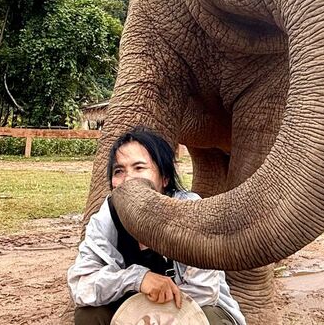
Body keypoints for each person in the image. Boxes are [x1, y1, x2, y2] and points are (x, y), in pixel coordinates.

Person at [68, 127, 246, 325]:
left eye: (139, 168)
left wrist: (154, 308)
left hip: (189, 308)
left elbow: (204, 291)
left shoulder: (190, 210)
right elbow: (81, 285)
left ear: (164, 178)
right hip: (135, 313)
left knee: (210, 318)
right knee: (89, 315)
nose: (128, 180)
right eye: (119, 171)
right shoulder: (107, 215)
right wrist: (139, 279)